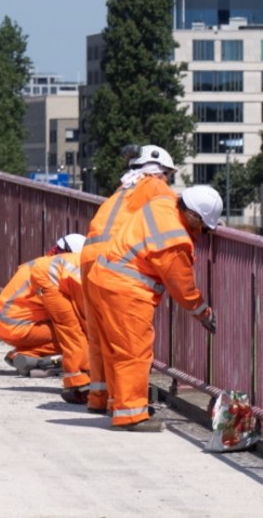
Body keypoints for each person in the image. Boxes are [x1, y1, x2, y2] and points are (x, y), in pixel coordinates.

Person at [89, 185, 220, 432]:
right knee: (134, 353)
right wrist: (203, 312)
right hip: (126, 291)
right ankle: (131, 415)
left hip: (103, 276)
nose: (202, 233)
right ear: (192, 216)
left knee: (116, 350)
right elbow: (182, 288)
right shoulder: (175, 240)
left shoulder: (163, 203)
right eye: (203, 227)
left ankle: (120, 406)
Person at [78, 144, 177, 415]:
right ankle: (128, 408)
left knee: (99, 335)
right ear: (158, 172)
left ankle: (100, 397)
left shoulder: (120, 192)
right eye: (168, 175)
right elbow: (174, 212)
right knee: (128, 340)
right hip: (116, 260)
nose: (168, 181)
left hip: (89, 257)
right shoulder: (152, 186)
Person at [0, 236, 84, 377]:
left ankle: (25, 355)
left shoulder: (38, 265)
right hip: (18, 327)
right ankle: (27, 355)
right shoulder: (51, 276)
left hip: (4, 323)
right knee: (76, 334)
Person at [28, 233, 91, 404]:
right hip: (47, 280)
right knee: (71, 329)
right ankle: (77, 381)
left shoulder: (78, 263)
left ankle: (82, 376)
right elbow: (85, 309)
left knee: (75, 328)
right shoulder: (85, 268)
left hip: (46, 277)